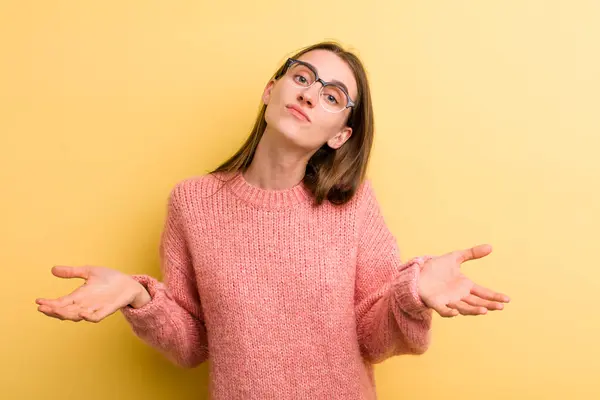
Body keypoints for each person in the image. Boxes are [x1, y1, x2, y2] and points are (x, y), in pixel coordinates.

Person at [36, 41, 510, 399]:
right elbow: (191, 345)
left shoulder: (355, 206)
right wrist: (138, 296)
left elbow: (372, 336)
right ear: (271, 89)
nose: (309, 94)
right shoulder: (193, 202)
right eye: (302, 77)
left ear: (341, 135)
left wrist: (412, 293)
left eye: (332, 96)